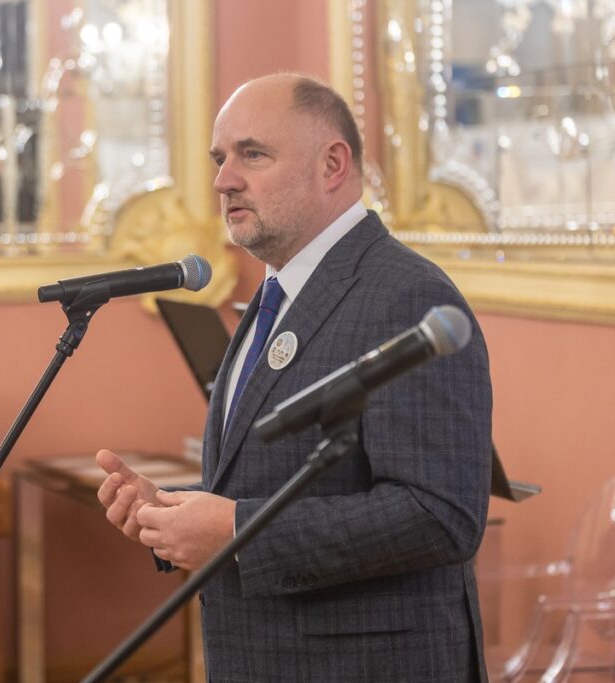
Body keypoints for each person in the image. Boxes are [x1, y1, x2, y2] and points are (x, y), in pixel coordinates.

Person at [96, 73, 493, 681]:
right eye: (220, 159)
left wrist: (236, 531)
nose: (224, 180)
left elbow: (439, 515)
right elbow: (270, 480)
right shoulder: (277, 291)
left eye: (253, 154)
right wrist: (173, 514)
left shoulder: (406, 296)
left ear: (332, 164)